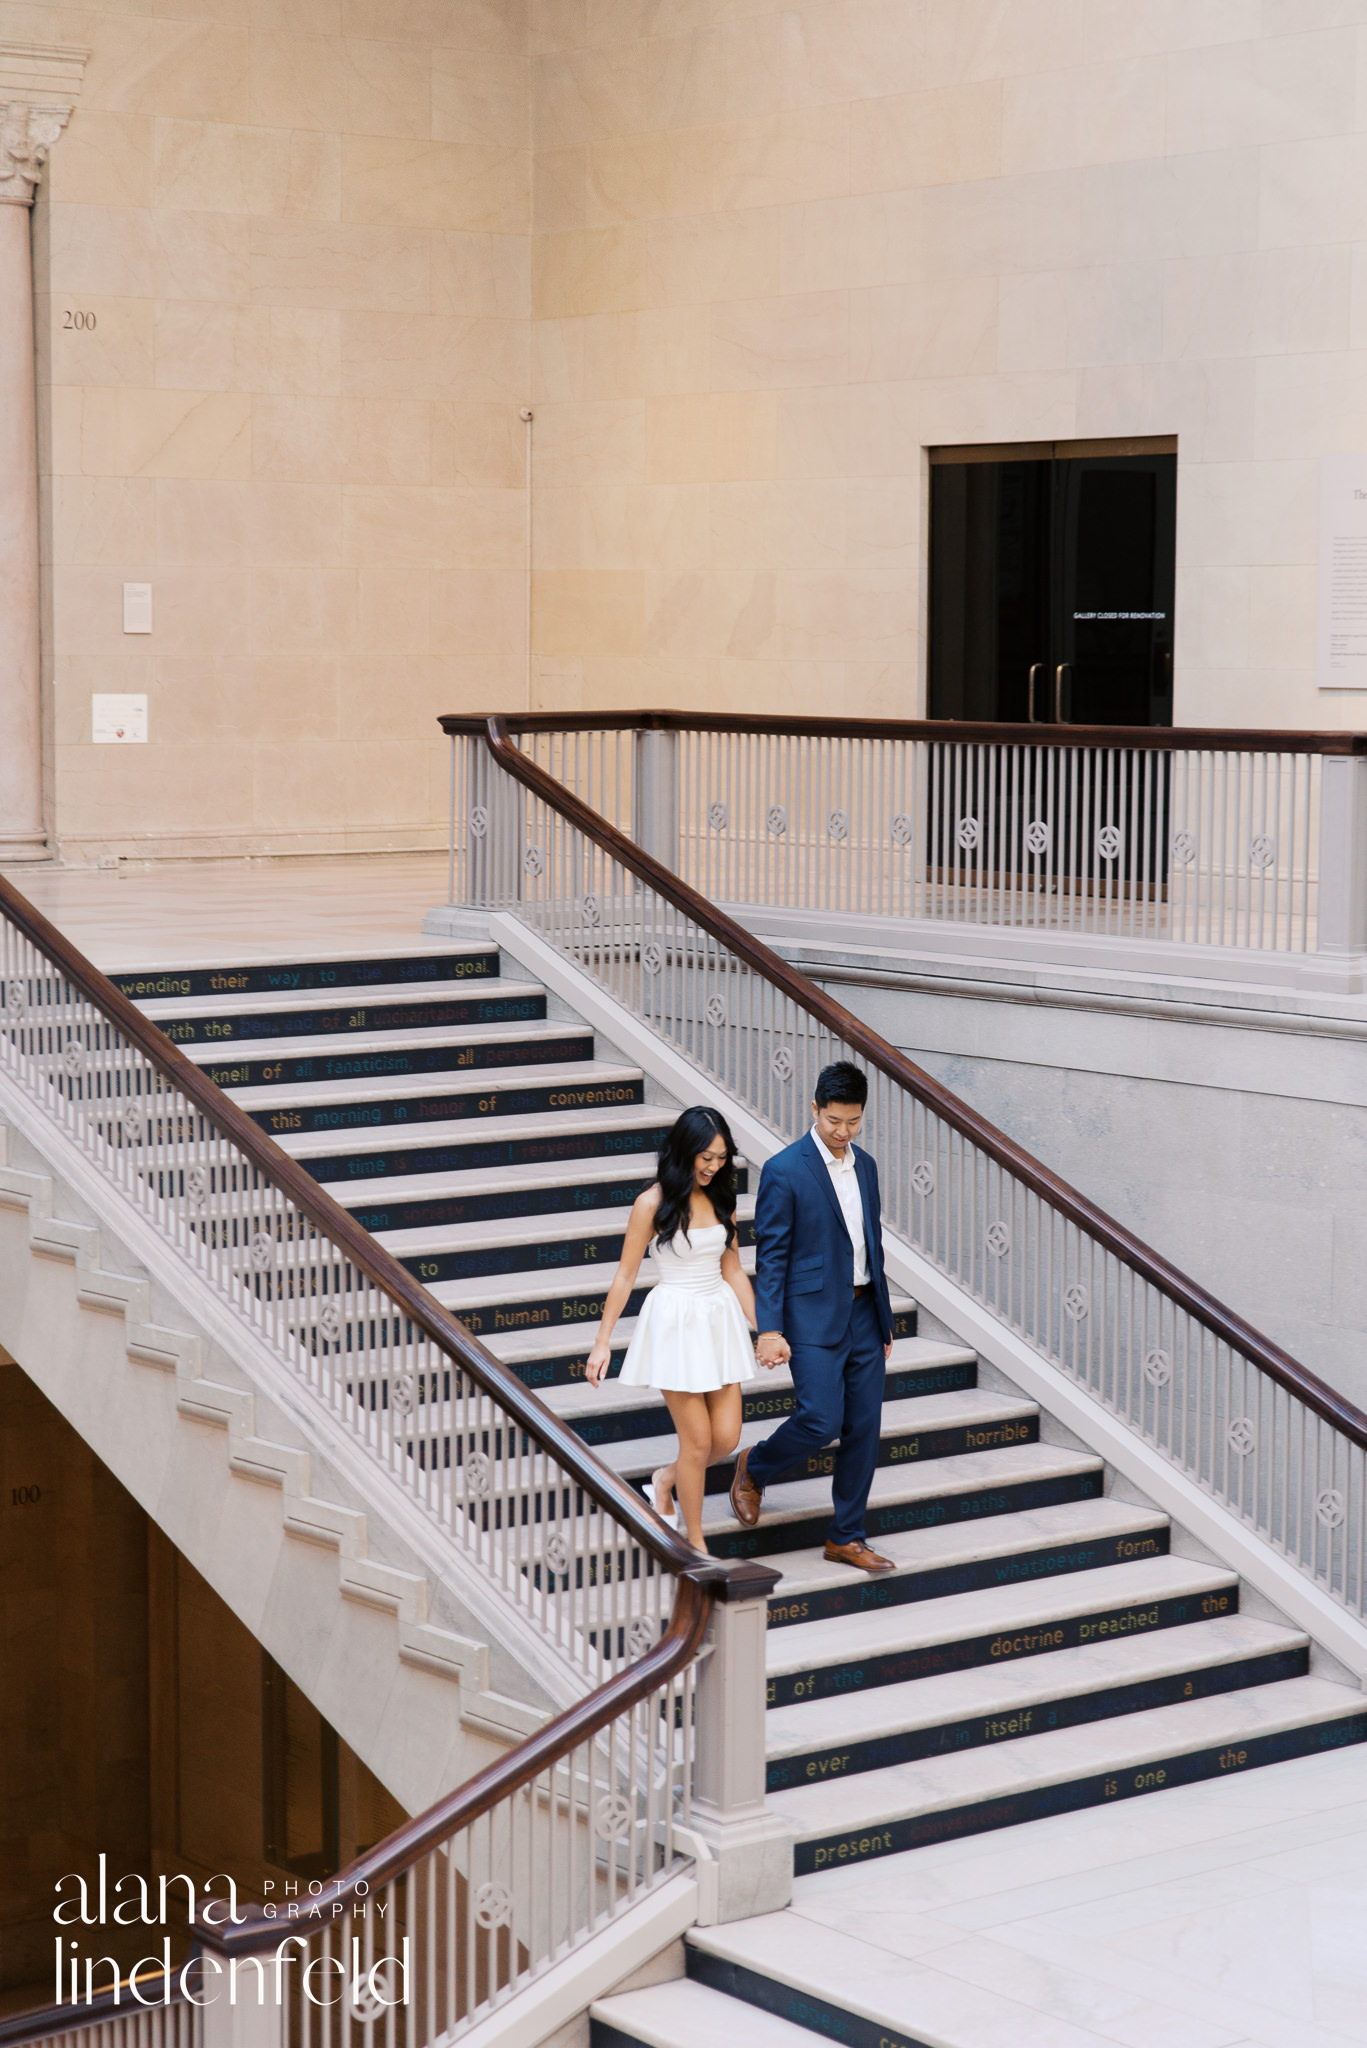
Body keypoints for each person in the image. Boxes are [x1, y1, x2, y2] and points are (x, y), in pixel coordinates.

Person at [729, 1060, 895, 1572]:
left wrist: (884, 1320)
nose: (843, 1132)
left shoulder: (864, 1165)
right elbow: (772, 1255)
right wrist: (771, 1328)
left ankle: (846, 1536)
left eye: (853, 1122)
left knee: (864, 1427)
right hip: (812, 1316)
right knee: (821, 1418)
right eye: (834, 1121)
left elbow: (872, 1246)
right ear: (815, 1109)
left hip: (865, 1313)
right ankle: (755, 1466)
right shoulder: (785, 1168)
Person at [584, 1105, 772, 1551]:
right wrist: (602, 1342)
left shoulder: (723, 1198)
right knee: (697, 1441)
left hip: (718, 1316)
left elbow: (735, 1272)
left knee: (725, 1438)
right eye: (705, 1156)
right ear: (685, 1151)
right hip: (675, 1321)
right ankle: (697, 1545)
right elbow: (625, 1275)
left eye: (721, 1157)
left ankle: (664, 1480)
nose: (713, 1166)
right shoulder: (651, 1203)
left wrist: (767, 1329)